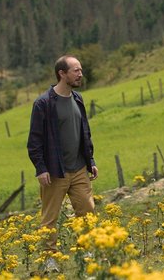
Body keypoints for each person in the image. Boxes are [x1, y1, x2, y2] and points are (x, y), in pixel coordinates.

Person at [27, 55, 99, 259]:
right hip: (55, 172)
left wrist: (90, 160)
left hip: (79, 170)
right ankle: (50, 259)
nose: (80, 74)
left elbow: (85, 131)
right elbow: (35, 140)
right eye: (76, 70)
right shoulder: (43, 103)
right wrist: (41, 168)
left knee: (87, 213)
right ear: (62, 73)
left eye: (81, 70)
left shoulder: (78, 99)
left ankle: (87, 254)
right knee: (49, 219)